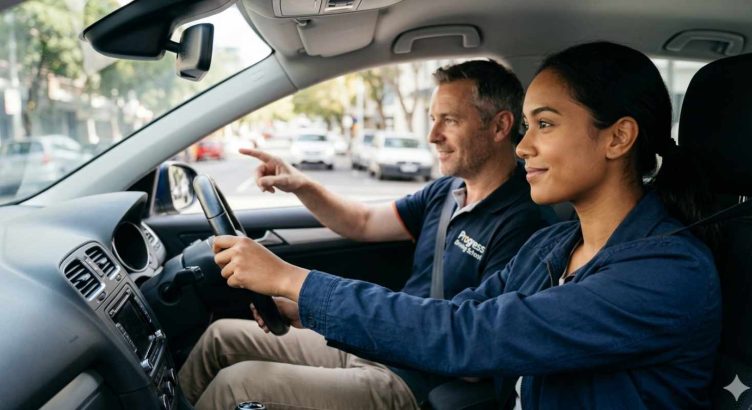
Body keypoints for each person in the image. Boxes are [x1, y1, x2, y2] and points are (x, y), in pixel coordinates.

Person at [212, 41, 723, 409]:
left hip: (434, 385)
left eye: (544, 125)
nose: (523, 147)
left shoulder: (665, 275)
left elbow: (468, 336)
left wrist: (293, 279)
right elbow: (458, 313)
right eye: (527, 127)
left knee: (242, 389)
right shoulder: (554, 244)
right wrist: (307, 308)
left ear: (617, 138)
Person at [180, 60, 553, 409]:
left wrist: (297, 287)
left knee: (240, 383)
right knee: (221, 336)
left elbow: (473, 348)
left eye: (449, 121)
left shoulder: (524, 223)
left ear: (500, 126)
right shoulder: (446, 191)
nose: (432, 135)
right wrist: (301, 185)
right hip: (376, 343)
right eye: (432, 119)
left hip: (418, 381)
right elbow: (361, 222)